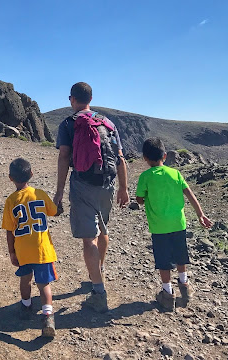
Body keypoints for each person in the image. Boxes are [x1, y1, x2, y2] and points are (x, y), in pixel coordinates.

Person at [53, 82, 130, 312]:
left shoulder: (68, 123)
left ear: (72, 99)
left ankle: (98, 291)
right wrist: (123, 188)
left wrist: (58, 193)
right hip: (107, 183)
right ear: (91, 98)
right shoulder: (107, 123)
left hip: (83, 184)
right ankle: (99, 270)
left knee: (89, 238)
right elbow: (120, 158)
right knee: (104, 230)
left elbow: (64, 157)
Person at [135, 138, 213, 311]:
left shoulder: (145, 177)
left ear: (145, 158)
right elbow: (190, 194)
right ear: (165, 155)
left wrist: (145, 198)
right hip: (179, 224)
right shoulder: (176, 173)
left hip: (159, 227)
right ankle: (185, 287)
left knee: (163, 260)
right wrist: (200, 214)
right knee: (180, 255)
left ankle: (168, 294)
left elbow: (139, 200)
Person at [2, 157, 59, 338]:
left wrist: (12, 252)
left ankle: (26, 306)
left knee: (25, 280)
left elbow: (10, 230)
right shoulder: (40, 194)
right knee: (44, 284)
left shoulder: (11, 201)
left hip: (23, 249)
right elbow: (53, 211)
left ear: (10, 178)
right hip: (42, 249)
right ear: (31, 174)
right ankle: (48, 316)